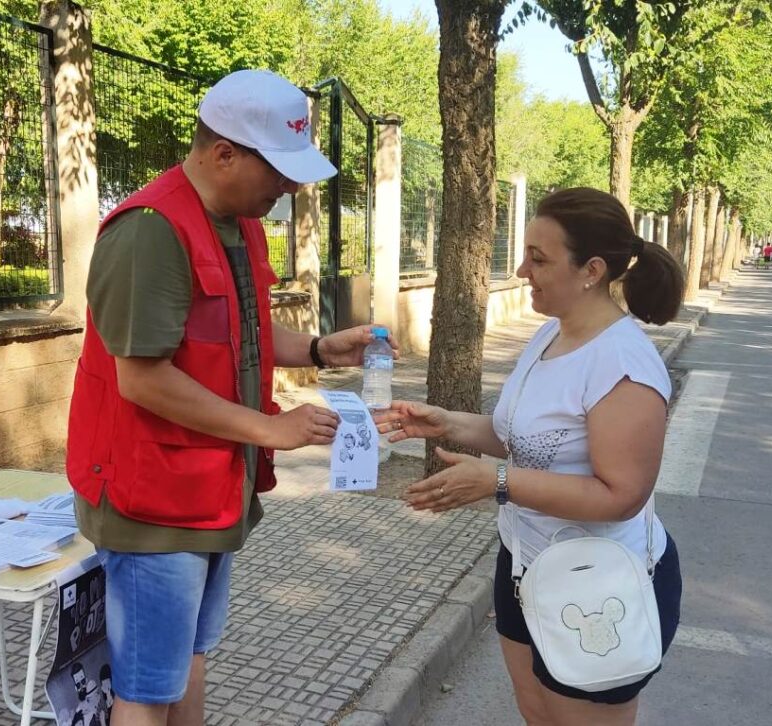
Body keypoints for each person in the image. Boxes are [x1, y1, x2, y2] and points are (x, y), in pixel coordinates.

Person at [65, 69, 398, 726]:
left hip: (211, 490)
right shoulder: (150, 232)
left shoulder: (236, 223)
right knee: (144, 686)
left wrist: (323, 348)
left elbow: (244, 325)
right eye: (280, 170)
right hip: (154, 505)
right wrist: (269, 430)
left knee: (188, 658)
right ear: (224, 154)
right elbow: (142, 377)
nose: (292, 187)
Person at [375, 187, 684, 726]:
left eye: (538, 259)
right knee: (539, 715)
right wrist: (446, 422)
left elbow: (622, 495)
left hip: (599, 583)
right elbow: (527, 440)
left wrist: (498, 482)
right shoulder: (550, 335)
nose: (520, 270)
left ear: (590, 270)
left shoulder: (623, 365)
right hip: (525, 566)